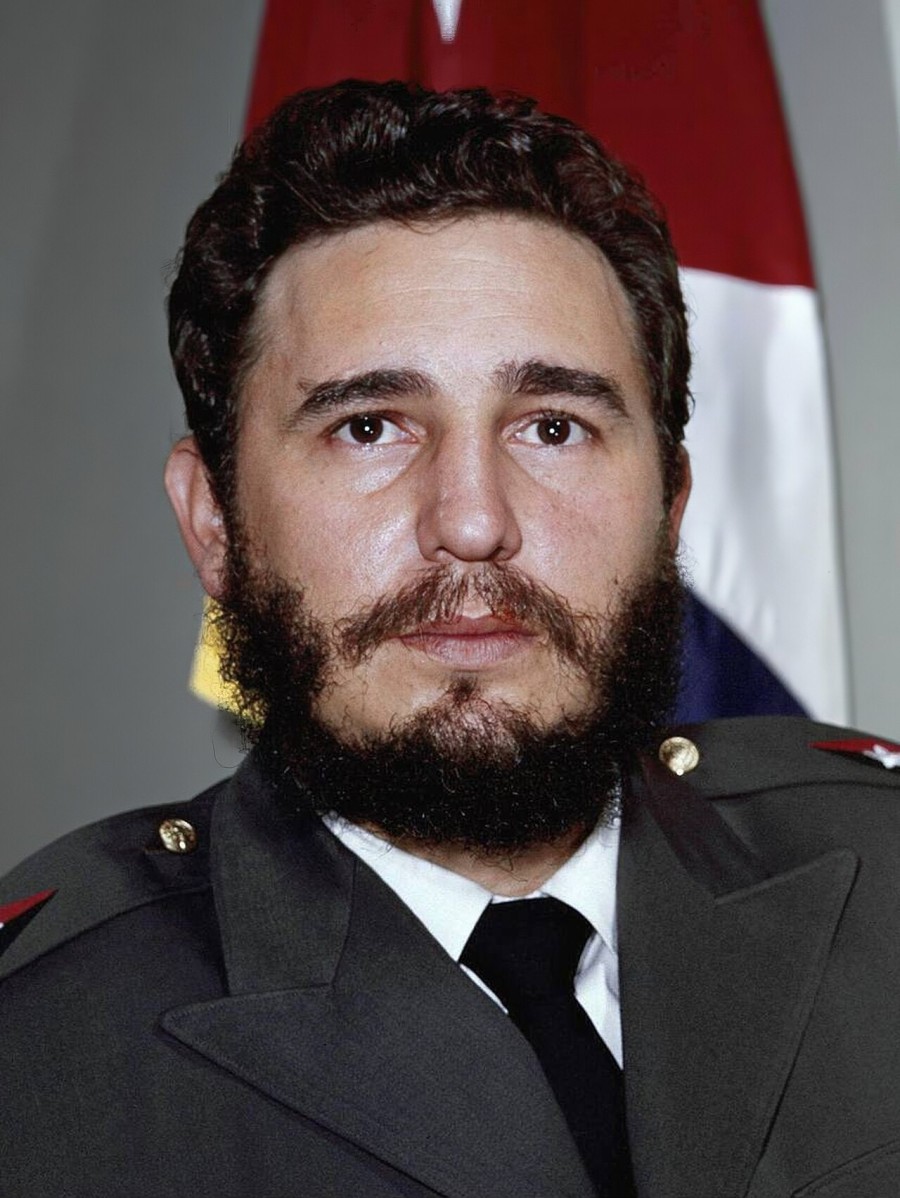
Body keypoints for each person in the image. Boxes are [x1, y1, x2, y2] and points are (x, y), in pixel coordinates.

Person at [1, 79, 899, 1198]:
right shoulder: (38, 1051)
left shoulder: (882, 875)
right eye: (369, 427)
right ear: (215, 522)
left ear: (670, 507)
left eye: (553, 427)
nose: (472, 520)